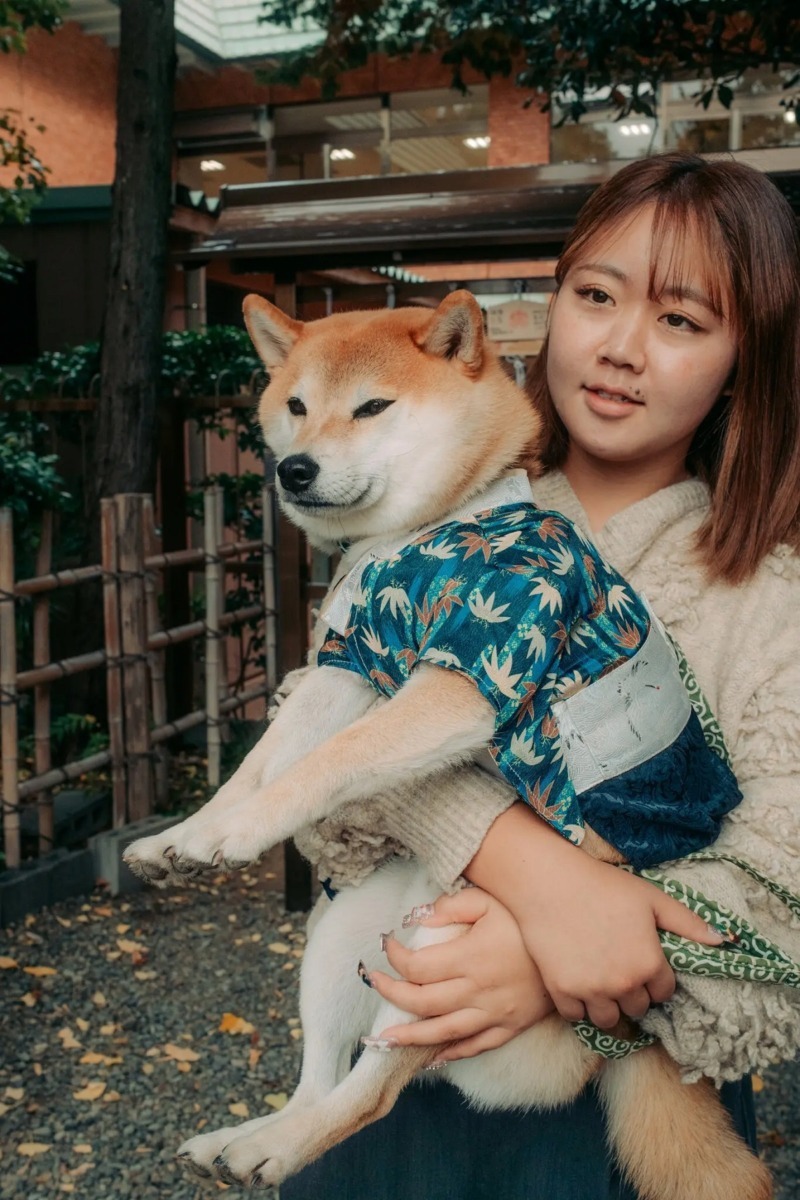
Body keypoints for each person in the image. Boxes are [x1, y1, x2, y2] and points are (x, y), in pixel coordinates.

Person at [282, 152, 800, 1200]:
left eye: (680, 321)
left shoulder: (772, 595)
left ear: (744, 359)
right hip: (382, 1084)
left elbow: (780, 898)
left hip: (612, 1123)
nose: (618, 348)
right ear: (551, 306)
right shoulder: (418, 518)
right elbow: (324, 810)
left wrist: (553, 965)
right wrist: (519, 863)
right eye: (594, 296)